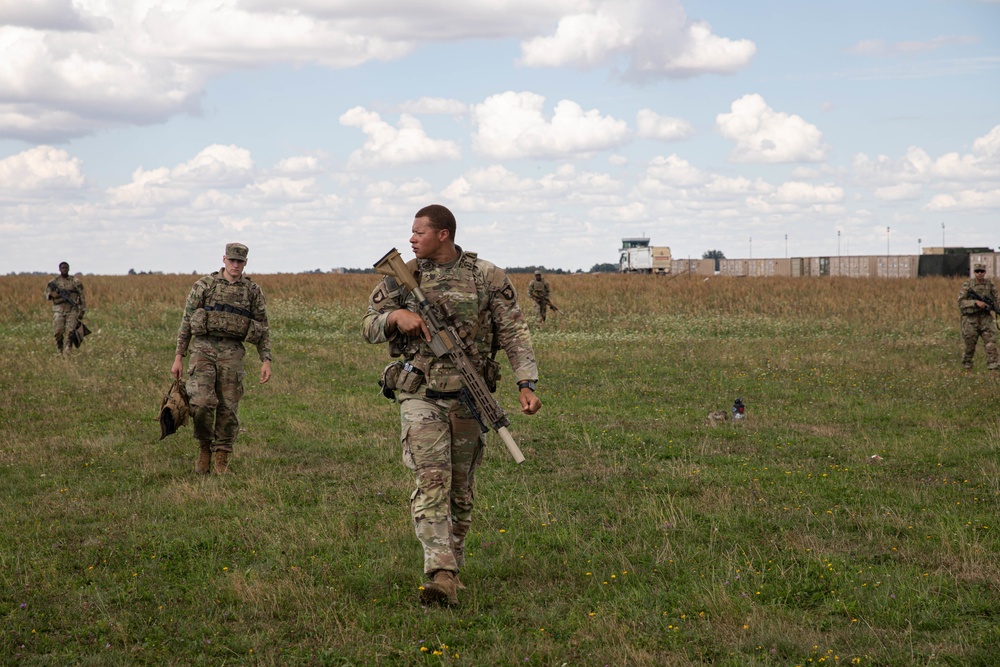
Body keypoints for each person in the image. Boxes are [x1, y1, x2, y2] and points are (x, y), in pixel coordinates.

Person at [362, 204, 541, 606]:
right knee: (431, 480)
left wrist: (525, 382)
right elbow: (367, 325)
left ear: (443, 234)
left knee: (460, 492)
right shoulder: (402, 279)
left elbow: (514, 331)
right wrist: (396, 318)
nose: (411, 239)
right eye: (410, 232)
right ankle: (440, 572)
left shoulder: (486, 276)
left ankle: (452, 568)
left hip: (469, 396)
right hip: (420, 394)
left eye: (419, 232)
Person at [170, 243, 272, 474]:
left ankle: (222, 457)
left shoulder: (252, 291)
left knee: (228, 406)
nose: (235, 265)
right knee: (202, 403)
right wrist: (179, 356)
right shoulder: (204, 286)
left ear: (245, 263)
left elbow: (262, 327)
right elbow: (187, 321)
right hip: (203, 350)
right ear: (224, 259)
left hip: (232, 353)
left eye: (240, 261)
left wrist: (265, 360)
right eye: (232, 260)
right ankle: (204, 448)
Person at [958, 262, 998, 371]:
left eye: (982, 271)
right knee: (970, 346)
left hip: (986, 319)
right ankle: (967, 367)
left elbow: (997, 298)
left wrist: (994, 307)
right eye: (977, 271)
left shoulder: (990, 285)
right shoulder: (968, 285)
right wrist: (975, 302)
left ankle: (993, 369)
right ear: (974, 272)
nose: (979, 273)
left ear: (985, 272)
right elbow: (961, 302)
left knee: (991, 345)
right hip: (972, 320)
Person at [44, 261, 86, 355]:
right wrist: (53, 295)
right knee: (58, 332)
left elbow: (82, 297)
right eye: (62, 268)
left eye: (66, 268)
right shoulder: (53, 282)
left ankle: (67, 351)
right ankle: (59, 350)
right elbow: (47, 294)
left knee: (70, 332)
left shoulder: (75, 282)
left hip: (72, 310)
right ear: (59, 269)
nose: (64, 270)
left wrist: (82, 311)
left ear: (69, 269)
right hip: (59, 310)